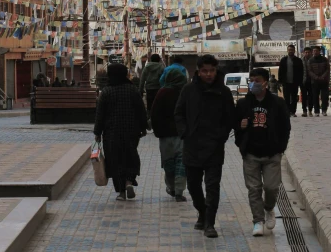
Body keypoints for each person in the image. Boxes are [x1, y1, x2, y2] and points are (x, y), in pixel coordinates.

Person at [174, 54, 235, 238]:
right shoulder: (188, 90)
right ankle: (201, 211)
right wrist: (185, 132)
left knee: (212, 186)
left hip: (214, 146)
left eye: (212, 71)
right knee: (193, 185)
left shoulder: (223, 92)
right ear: (198, 72)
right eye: (205, 71)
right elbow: (178, 113)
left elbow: (229, 117)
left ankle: (210, 222)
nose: (209, 74)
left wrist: (221, 136)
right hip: (192, 145)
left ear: (216, 71)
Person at [234, 67, 291, 237]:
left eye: (257, 80)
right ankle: (258, 220)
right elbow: (236, 126)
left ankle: (269, 208)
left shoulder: (277, 103)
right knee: (254, 188)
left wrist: (281, 147)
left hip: (272, 153)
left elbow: (285, 127)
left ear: (265, 82)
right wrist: (240, 131)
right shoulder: (243, 104)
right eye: (251, 80)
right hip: (251, 153)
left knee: (271, 187)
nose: (253, 84)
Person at [94, 63, 148, 201]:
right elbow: (141, 110)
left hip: (111, 133)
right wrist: (143, 127)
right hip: (131, 131)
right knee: (130, 156)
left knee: (115, 160)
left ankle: (121, 192)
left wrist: (97, 132)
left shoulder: (106, 92)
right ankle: (129, 181)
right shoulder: (132, 90)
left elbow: (100, 115)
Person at [150, 66, 189, 202]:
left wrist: (157, 130)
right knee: (181, 163)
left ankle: (171, 187)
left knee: (169, 163)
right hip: (181, 135)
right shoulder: (184, 93)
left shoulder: (162, 92)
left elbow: (154, 114)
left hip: (165, 136)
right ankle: (179, 191)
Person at [278, 44, 304, 117]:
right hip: (286, 82)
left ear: (294, 51)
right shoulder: (284, 60)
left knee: (294, 97)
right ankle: (287, 112)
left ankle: (293, 112)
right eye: (289, 50)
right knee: (286, 98)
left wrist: (300, 81)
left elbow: (301, 72)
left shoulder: (298, 60)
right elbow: (280, 71)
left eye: (292, 50)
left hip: (295, 82)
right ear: (287, 51)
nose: (290, 51)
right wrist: (280, 81)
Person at [307, 46, 330, 117]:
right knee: (315, 97)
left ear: (319, 51)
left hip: (324, 81)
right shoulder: (310, 60)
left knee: (324, 97)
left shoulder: (325, 59)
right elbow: (309, 71)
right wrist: (316, 77)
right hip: (314, 81)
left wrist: (323, 77)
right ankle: (316, 111)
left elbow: (327, 69)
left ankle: (324, 110)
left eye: (316, 51)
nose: (315, 52)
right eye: (314, 51)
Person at [301, 47, 313, 117]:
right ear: (304, 53)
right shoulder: (301, 60)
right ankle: (304, 110)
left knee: (311, 96)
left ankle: (310, 110)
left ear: (311, 53)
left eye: (308, 52)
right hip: (303, 81)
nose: (307, 54)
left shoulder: (313, 60)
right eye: (306, 52)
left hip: (312, 81)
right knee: (304, 97)